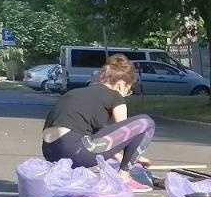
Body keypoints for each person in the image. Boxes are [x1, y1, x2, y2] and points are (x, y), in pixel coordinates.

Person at [41, 54, 154, 189]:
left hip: (50, 152)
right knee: (146, 122)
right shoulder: (116, 96)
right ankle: (124, 177)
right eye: (128, 90)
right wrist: (135, 157)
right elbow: (125, 134)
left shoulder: (76, 93)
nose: (126, 95)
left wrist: (122, 157)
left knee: (90, 139)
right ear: (121, 84)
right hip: (74, 150)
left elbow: (103, 140)